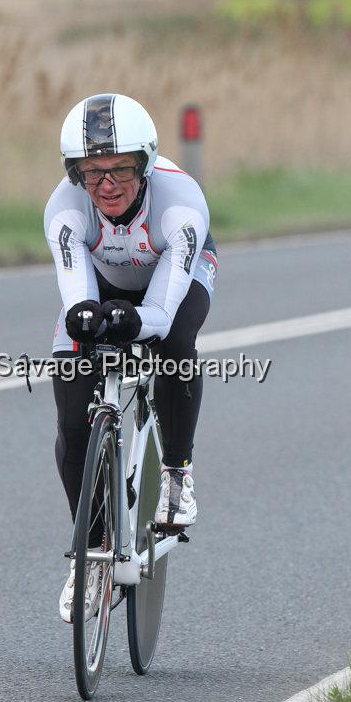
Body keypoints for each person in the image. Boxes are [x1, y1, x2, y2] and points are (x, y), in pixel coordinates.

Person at [44, 93, 217, 622]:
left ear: (145, 164)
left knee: (174, 347)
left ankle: (176, 473)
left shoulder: (181, 205)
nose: (107, 185)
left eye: (120, 169)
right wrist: (84, 318)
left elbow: (162, 310)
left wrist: (136, 321)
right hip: (104, 280)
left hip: (176, 276)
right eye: (91, 173)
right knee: (73, 417)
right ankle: (88, 554)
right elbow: (77, 297)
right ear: (75, 174)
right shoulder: (64, 209)